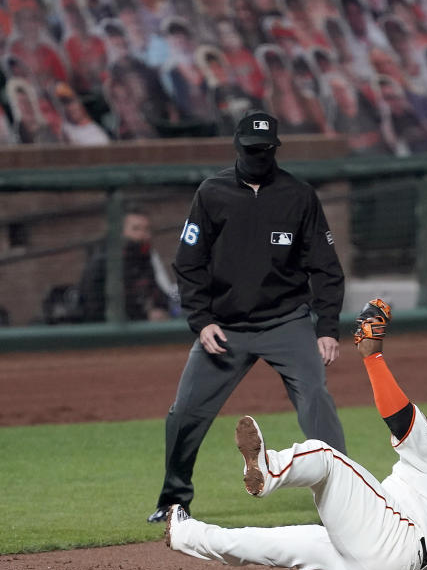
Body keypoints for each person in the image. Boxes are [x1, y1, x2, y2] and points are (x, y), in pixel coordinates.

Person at [164, 299, 427, 570]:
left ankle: (269, 469)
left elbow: (400, 418)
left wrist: (373, 358)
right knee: (284, 542)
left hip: (393, 544)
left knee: (326, 458)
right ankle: (186, 534)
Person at [147, 110, 347, 523]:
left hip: (286, 321)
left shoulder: (298, 195)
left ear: (275, 149)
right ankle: (172, 501)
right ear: (238, 147)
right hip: (226, 326)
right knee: (184, 413)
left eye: (266, 150)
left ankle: (347, 498)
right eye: (253, 149)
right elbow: (188, 262)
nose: (259, 156)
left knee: (316, 400)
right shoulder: (212, 193)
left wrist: (327, 327)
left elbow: (326, 267)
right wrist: (201, 320)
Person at [78, 211, 171, 322]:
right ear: (121, 232)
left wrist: (160, 309)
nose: (143, 235)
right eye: (136, 229)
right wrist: (144, 315)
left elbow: (159, 294)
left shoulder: (145, 259)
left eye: (146, 229)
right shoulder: (103, 262)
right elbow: (95, 307)